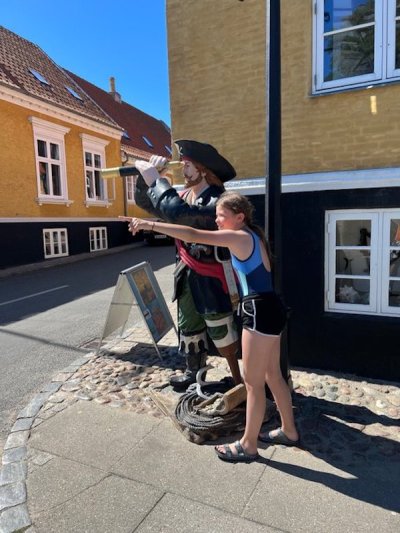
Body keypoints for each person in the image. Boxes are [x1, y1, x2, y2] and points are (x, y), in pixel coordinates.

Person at [121, 191, 299, 462]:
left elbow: (192, 234)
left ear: (239, 217)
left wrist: (149, 224)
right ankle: (289, 431)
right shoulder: (252, 235)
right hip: (271, 307)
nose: (216, 220)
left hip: (258, 311)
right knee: (273, 376)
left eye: (221, 216)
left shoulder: (238, 236)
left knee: (253, 384)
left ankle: (248, 445)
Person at [130, 140, 242, 390]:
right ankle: (194, 372)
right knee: (188, 325)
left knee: (220, 326)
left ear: (203, 169)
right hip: (187, 273)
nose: (183, 170)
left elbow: (181, 216)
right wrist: (145, 179)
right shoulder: (183, 196)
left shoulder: (219, 200)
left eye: (188, 165)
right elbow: (148, 203)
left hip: (212, 277)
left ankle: (237, 378)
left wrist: (157, 181)